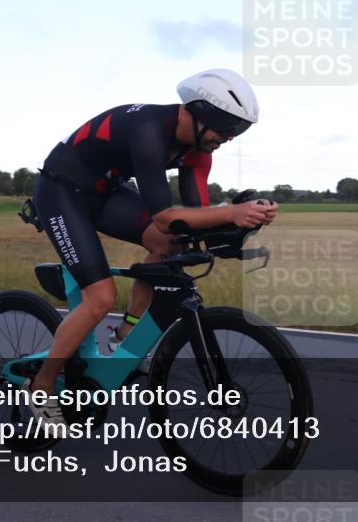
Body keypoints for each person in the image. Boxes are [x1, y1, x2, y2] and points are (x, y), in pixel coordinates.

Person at [25, 69, 277, 424]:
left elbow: (191, 220)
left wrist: (241, 221)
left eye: (238, 130)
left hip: (104, 193)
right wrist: (232, 212)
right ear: (197, 112)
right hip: (62, 192)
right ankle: (42, 385)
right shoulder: (149, 131)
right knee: (99, 297)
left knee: (171, 244)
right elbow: (163, 215)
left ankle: (126, 332)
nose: (229, 138)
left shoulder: (199, 152)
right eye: (225, 127)